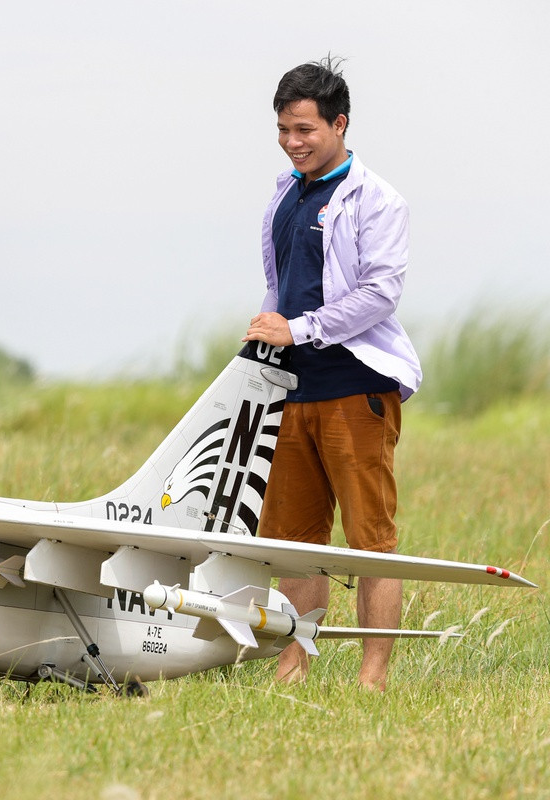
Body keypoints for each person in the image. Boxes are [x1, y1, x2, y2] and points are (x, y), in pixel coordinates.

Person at [242, 58, 422, 692]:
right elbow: (281, 284)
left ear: (339, 124)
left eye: (305, 130)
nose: (293, 143)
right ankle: (295, 665)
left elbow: (380, 294)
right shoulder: (284, 195)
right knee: (293, 540)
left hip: (355, 387)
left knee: (370, 537)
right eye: (284, 130)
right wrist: (271, 330)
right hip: (290, 391)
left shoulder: (378, 199)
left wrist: (302, 328)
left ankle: (373, 677)